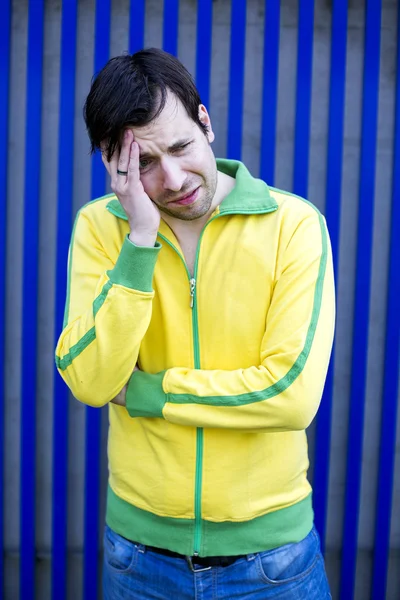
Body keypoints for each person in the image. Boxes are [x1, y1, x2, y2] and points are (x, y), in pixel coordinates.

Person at [55, 48, 335, 599]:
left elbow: (292, 395)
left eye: (182, 146)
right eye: (146, 164)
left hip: (272, 562)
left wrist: (148, 392)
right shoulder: (100, 229)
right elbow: (89, 381)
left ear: (205, 121)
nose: (175, 178)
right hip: (138, 558)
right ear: (115, 164)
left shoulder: (294, 226)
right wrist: (138, 241)